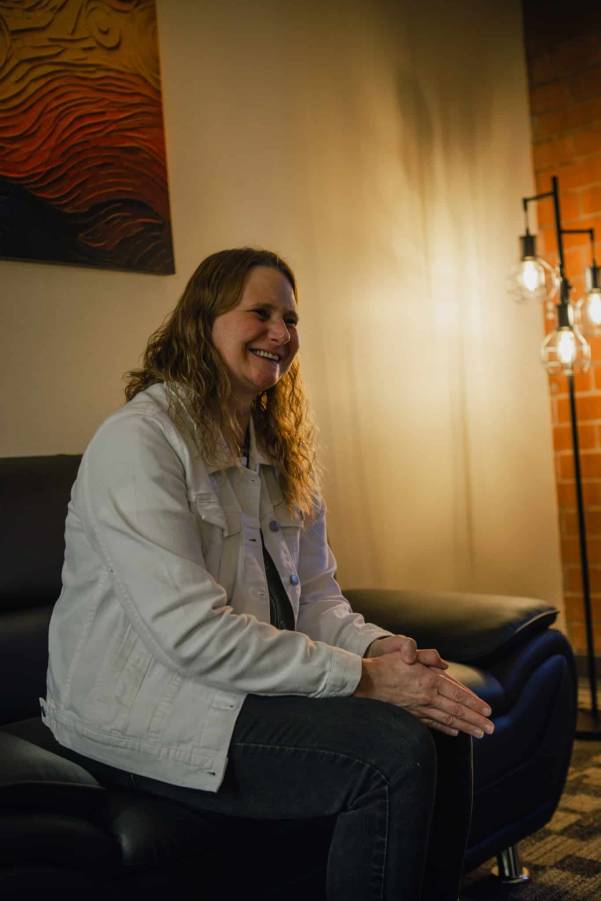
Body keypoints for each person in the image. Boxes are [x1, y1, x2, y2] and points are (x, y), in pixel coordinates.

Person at [43, 247, 494, 901]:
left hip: (237, 689)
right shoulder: (139, 442)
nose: (280, 333)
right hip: (142, 710)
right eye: (260, 312)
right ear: (203, 321)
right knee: (389, 753)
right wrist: (365, 680)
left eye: (290, 316)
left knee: (436, 722)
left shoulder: (276, 449)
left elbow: (313, 597)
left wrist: (376, 649)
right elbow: (191, 635)